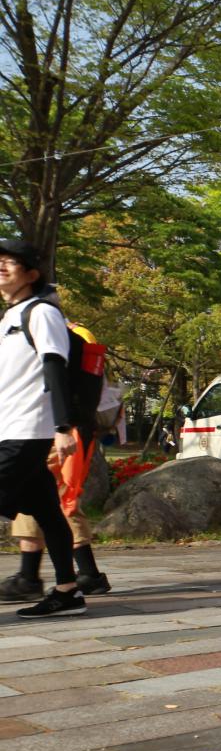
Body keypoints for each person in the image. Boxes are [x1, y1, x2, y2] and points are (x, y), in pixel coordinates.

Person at [0, 240, 89, 619]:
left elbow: (54, 367)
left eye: (10, 262)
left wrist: (63, 426)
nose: (1, 266)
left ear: (32, 274)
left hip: (29, 431)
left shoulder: (41, 313)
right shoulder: (10, 317)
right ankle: (68, 592)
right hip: (12, 428)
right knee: (48, 513)